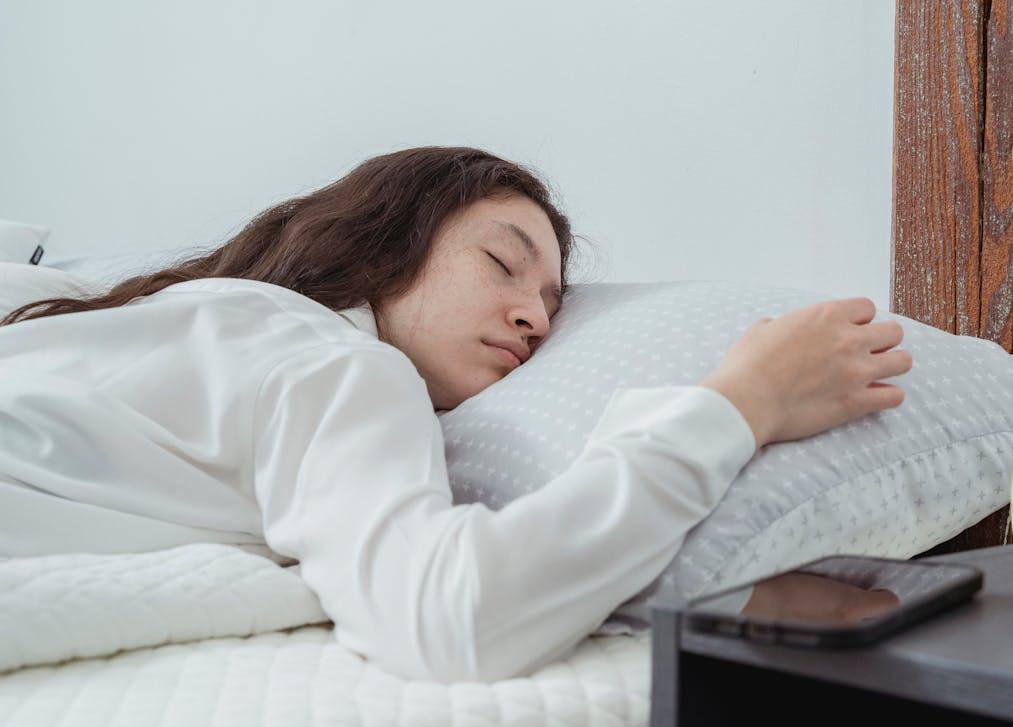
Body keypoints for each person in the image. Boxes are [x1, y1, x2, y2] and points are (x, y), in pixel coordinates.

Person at [0, 145, 913, 682]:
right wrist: (739, 403)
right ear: (384, 239)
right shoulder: (329, 361)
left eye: (551, 305)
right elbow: (449, 614)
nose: (534, 319)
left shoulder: (181, 317)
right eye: (502, 264)